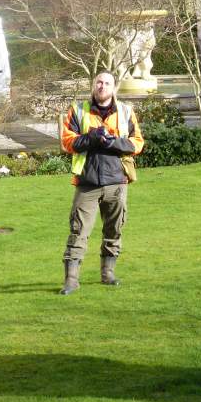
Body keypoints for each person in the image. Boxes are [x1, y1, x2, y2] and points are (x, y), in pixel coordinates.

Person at [58, 71, 144, 295]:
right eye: (99, 82)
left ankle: (108, 274)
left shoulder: (125, 111)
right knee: (78, 230)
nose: (102, 86)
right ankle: (71, 280)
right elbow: (67, 142)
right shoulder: (78, 111)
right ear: (93, 86)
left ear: (114, 88)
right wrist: (92, 138)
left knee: (114, 229)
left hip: (117, 181)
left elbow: (137, 143)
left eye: (107, 83)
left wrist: (113, 142)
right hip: (87, 182)